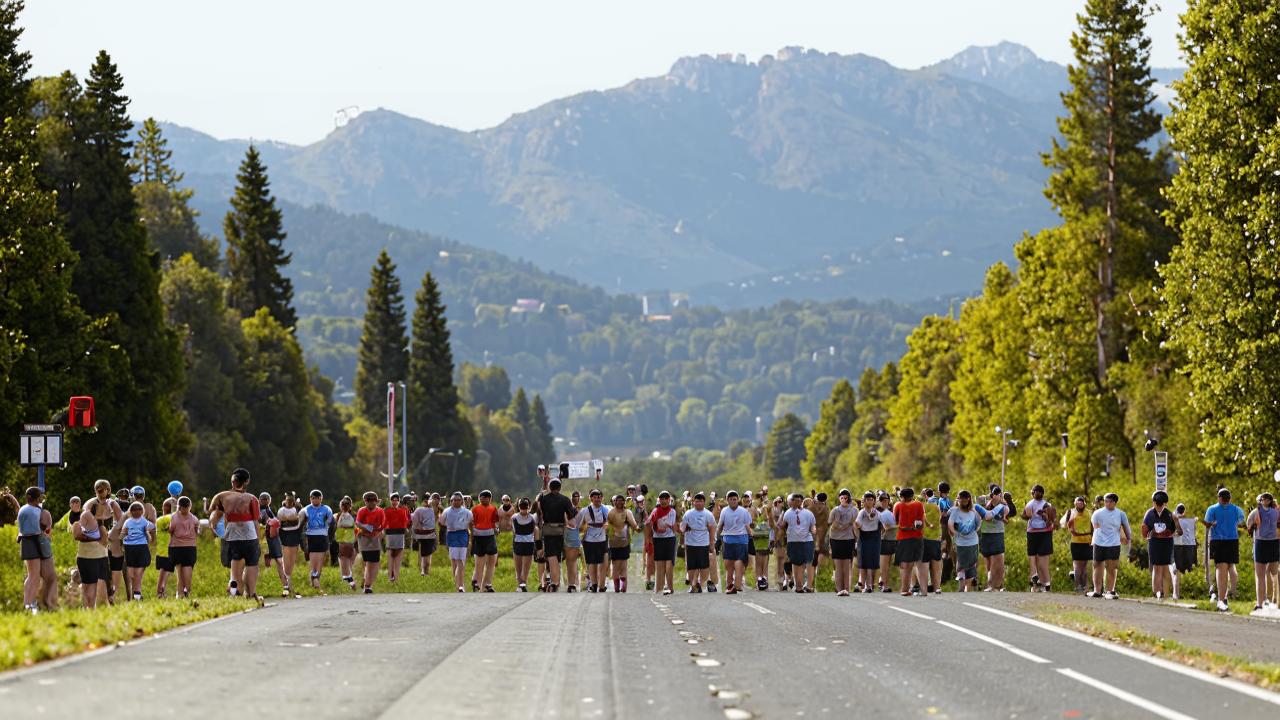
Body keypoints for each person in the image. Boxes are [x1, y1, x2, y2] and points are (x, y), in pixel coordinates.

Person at [207, 468, 262, 599]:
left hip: (232, 534)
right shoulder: (252, 498)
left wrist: (215, 530)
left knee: (236, 561)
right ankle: (251, 592)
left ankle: (235, 588)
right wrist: (258, 540)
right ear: (247, 481)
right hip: (249, 533)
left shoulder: (221, 496)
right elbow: (255, 521)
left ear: (232, 482)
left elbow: (213, 515)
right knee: (252, 563)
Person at [1203, 487, 1245, 610]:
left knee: (1221, 568)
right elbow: (1241, 522)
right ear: (1230, 498)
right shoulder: (1237, 509)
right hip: (1232, 540)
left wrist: (1213, 524)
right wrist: (1232, 523)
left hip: (1218, 540)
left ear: (1219, 497)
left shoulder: (1212, 509)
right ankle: (1232, 590)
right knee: (1231, 566)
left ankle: (1221, 599)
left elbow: (1207, 523)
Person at [18, 487, 56, 613]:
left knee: (32, 575)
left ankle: (29, 603)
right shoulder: (37, 511)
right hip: (35, 541)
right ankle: (30, 604)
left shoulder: (23, 509)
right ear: (37, 497)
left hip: (26, 542)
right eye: (40, 496)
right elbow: (46, 527)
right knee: (34, 576)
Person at [535, 476, 575, 592]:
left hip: (548, 530)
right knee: (566, 558)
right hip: (562, 531)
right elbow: (571, 517)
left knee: (552, 557)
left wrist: (539, 498)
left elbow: (537, 511)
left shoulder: (543, 499)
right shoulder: (565, 499)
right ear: (560, 487)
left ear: (549, 487)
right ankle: (570, 583)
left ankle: (554, 582)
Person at [1089, 493, 1130, 599]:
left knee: (1111, 567)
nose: (1107, 503)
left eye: (1110, 501)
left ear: (1115, 503)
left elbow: (1126, 527)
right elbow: (1095, 526)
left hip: (1114, 543)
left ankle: (1110, 591)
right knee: (1097, 565)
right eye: (1106, 501)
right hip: (1099, 542)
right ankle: (1097, 590)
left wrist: (1128, 538)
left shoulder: (1121, 514)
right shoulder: (1097, 513)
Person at [1141, 491, 1178, 599]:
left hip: (1167, 543)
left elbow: (1174, 529)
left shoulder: (1170, 514)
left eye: (1162, 504)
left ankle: (1166, 592)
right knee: (1157, 567)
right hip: (1154, 543)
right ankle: (1157, 592)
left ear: (1165, 504)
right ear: (1153, 503)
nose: (1159, 506)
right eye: (1157, 504)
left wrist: (1170, 532)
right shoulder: (1149, 514)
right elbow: (1145, 529)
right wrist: (1149, 533)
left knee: (1166, 567)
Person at [73, 501, 109, 608]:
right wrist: (95, 538)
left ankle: (87, 609)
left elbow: (103, 540)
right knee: (90, 585)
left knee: (87, 585)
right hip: (92, 557)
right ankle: (89, 609)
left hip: (92, 556)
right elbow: (103, 540)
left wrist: (88, 538)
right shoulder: (96, 524)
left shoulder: (97, 523)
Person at [1246, 492, 1278, 611]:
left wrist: (1253, 528)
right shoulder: (1277, 512)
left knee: (1260, 575)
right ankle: (1273, 600)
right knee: (1274, 573)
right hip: (1274, 543)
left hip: (1261, 543)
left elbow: (1249, 526)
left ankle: (1261, 603)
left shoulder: (1255, 512)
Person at [778, 493, 816, 593]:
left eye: (800, 501)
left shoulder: (808, 513)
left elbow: (813, 525)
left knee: (807, 562)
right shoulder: (787, 513)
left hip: (807, 541)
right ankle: (798, 586)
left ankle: (808, 585)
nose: (798, 503)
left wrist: (813, 530)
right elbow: (782, 526)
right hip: (793, 541)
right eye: (796, 501)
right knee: (796, 563)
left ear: (802, 502)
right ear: (792, 502)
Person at [716, 491, 752, 594]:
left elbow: (747, 526)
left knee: (739, 562)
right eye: (730, 499)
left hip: (741, 539)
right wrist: (717, 539)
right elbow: (720, 525)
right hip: (728, 539)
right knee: (728, 564)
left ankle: (736, 585)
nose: (733, 501)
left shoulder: (744, 511)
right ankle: (730, 583)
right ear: (727, 500)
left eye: (735, 499)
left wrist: (751, 537)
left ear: (738, 500)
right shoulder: (724, 511)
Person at [680, 492, 716, 593]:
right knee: (691, 566)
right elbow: (682, 528)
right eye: (697, 501)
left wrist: (712, 543)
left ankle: (699, 582)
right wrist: (682, 539)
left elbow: (712, 528)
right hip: (690, 543)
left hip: (703, 543)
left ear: (704, 502)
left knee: (703, 566)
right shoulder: (688, 513)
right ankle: (694, 584)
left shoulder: (708, 514)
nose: (699, 503)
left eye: (701, 501)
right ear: (693, 502)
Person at [1023, 484, 1056, 592]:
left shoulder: (1047, 504)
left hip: (1045, 533)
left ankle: (1046, 583)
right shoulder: (1029, 504)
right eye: (1034, 492)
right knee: (1033, 558)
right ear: (1032, 493)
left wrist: (1046, 516)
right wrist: (1027, 515)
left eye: (1037, 492)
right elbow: (1024, 515)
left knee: (1043, 561)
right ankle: (1035, 583)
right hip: (1032, 532)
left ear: (1041, 493)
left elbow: (1052, 520)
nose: (1035, 494)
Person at [892, 488, 925, 597]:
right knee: (916, 563)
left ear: (902, 497)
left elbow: (895, 520)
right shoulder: (919, 505)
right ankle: (923, 589)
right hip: (917, 536)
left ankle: (905, 589)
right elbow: (921, 521)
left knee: (905, 564)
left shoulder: (898, 505)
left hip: (903, 537)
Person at [122, 501, 156, 601]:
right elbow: (153, 527)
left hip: (129, 548)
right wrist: (147, 533)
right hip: (141, 547)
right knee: (138, 573)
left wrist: (120, 540)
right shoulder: (144, 521)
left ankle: (135, 594)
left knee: (132, 573)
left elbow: (123, 533)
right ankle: (136, 594)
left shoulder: (127, 522)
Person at [644, 491, 677, 595]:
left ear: (669, 500)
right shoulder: (655, 510)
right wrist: (649, 539)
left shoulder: (672, 511)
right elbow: (648, 523)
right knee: (659, 564)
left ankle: (669, 586)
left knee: (669, 563)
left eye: (665, 499)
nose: (664, 501)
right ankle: (659, 587)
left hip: (669, 539)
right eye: (662, 499)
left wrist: (659, 526)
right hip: (658, 540)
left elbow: (669, 525)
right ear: (659, 500)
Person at [975, 490, 1009, 591]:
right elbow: (979, 510)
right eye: (993, 494)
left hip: (997, 534)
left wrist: (1001, 516)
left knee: (997, 560)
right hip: (985, 534)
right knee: (988, 562)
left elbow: (1006, 518)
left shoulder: (1003, 506)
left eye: (997, 494)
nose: (994, 496)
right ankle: (991, 584)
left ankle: (996, 584)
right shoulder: (986, 503)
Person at [301, 490, 334, 592]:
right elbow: (301, 523)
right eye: (313, 497)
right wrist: (303, 541)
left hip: (322, 536)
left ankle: (316, 580)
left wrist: (330, 537)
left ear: (321, 498)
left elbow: (330, 522)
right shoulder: (306, 509)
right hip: (310, 536)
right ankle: (314, 580)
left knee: (320, 560)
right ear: (310, 498)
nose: (315, 499)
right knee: (313, 560)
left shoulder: (326, 509)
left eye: (318, 497)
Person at [578, 489, 610, 592]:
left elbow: (611, 520)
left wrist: (607, 525)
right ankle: (594, 584)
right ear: (590, 498)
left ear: (602, 498)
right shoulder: (585, 510)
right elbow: (579, 524)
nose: (597, 499)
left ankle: (601, 585)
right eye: (594, 497)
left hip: (602, 538)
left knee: (604, 561)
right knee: (592, 562)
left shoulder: (605, 509)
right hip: (589, 539)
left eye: (599, 497)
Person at [607, 494, 640, 592]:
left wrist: (637, 528)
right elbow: (607, 525)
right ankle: (617, 585)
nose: (620, 502)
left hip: (624, 541)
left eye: (622, 501)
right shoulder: (611, 513)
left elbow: (633, 524)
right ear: (615, 502)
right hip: (613, 542)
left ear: (624, 502)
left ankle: (623, 585)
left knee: (623, 563)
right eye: (618, 500)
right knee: (616, 563)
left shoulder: (627, 512)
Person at [949, 490, 981, 592]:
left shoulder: (970, 512)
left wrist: (957, 534)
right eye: (961, 500)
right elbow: (950, 523)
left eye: (964, 500)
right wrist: (956, 533)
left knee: (966, 563)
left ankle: (965, 586)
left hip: (968, 542)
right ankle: (964, 587)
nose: (962, 502)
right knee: (966, 563)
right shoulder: (957, 511)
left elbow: (978, 524)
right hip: (965, 542)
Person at [828, 489, 857, 596]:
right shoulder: (835, 510)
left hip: (849, 539)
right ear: (839, 499)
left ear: (849, 498)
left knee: (847, 565)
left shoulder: (854, 510)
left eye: (846, 497)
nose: (844, 499)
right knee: (838, 565)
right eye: (842, 497)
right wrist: (843, 525)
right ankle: (839, 588)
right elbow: (831, 523)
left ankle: (847, 589)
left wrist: (857, 538)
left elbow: (855, 524)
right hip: (836, 539)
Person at [441, 492, 473, 592]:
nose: (455, 502)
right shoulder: (446, 511)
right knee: (454, 561)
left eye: (458, 500)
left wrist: (471, 538)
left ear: (462, 501)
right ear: (451, 501)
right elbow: (441, 522)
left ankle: (461, 584)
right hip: (452, 535)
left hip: (463, 535)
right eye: (453, 500)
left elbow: (471, 523)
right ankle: (458, 584)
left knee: (461, 560)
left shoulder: (467, 512)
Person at [355, 491, 385, 594]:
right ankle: (366, 580)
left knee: (375, 562)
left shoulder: (380, 511)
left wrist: (380, 531)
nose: (371, 503)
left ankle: (368, 585)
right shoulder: (362, 511)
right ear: (365, 501)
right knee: (368, 561)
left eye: (373, 501)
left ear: (376, 501)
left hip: (375, 537)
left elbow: (383, 523)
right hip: (364, 538)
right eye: (368, 501)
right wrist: (365, 526)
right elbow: (358, 522)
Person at [168, 496, 199, 598]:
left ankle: (179, 593)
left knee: (179, 572)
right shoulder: (194, 518)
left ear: (179, 506)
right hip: (190, 547)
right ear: (189, 506)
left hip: (175, 547)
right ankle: (187, 590)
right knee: (188, 569)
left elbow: (170, 531)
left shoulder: (173, 517)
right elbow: (197, 532)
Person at [469, 490, 499, 592]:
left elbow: (495, 522)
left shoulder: (492, 508)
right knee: (481, 562)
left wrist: (496, 529)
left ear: (490, 498)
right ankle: (480, 583)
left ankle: (482, 583)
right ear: (479, 498)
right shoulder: (475, 509)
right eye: (484, 496)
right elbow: (472, 524)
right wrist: (471, 539)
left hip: (487, 535)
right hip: (482, 536)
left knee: (489, 561)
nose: (485, 498)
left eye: (487, 497)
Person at [1062, 496, 1093, 593]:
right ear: (1075, 503)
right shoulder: (1070, 512)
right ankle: (1077, 586)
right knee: (1077, 565)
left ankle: (1083, 587)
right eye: (1078, 503)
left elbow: (1093, 526)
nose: (1080, 505)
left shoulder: (1089, 513)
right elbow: (1063, 524)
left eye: (1082, 503)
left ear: (1084, 504)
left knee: (1084, 567)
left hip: (1088, 541)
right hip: (1076, 541)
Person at [275, 493, 303, 596]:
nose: (289, 502)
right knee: (286, 556)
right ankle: (286, 582)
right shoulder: (281, 510)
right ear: (285, 501)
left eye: (291, 501)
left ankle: (288, 579)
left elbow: (302, 519)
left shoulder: (298, 508)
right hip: (285, 534)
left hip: (295, 533)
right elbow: (279, 523)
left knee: (292, 557)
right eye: (288, 500)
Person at [856, 492, 883, 593]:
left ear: (874, 501)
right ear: (864, 501)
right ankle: (863, 585)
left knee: (872, 563)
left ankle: (870, 585)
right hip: (864, 537)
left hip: (875, 538)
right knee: (863, 563)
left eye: (871, 499)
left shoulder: (877, 512)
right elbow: (857, 523)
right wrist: (857, 525)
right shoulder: (862, 512)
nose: (869, 501)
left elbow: (884, 524)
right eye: (867, 499)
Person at [918, 490, 943, 594]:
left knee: (923, 566)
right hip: (936, 540)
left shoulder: (921, 508)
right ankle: (937, 587)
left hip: (924, 539)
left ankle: (924, 590)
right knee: (936, 567)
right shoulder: (937, 508)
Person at [383, 493, 410, 584]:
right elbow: (384, 521)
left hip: (399, 533)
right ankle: (390, 577)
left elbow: (405, 521)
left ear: (399, 501)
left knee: (398, 556)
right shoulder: (386, 510)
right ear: (390, 501)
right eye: (393, 500)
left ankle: (396, 577)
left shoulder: (403, 510)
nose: (395, 502)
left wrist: (405, 528)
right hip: (390, 533)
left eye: (396, 500)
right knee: (391, 555)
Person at [1171, 503, 1197, 600]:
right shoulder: (1189, 521)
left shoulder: (1173, 519)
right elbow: (1193, 533)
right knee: (1183, 570)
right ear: (1184, 511)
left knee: (1177, 570)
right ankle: (1177, 593)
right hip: (1186, 546)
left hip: (1176, 546)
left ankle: (1175, 593)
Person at [512, 498, 538, 591]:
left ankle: (522, 584)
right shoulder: (515, 517)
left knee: (525, 568)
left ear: (528, 507)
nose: (523, 509)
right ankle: (520, 585)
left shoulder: (532, 517)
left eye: (525, 507)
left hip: (527, 544)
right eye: (522, 507)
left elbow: (536, 531)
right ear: (519, 507)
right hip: (520, 544)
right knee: (519, 568)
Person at [411, 493, 438, 577]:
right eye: (425, 500)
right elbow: (414, 521)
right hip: (421, 535)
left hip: (431, 535)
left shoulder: (434, 509)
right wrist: (420, 527)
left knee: (428, 553)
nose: (427, 502)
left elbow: (437, 518)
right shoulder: (419, 510)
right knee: (423, 553)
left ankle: (425, 570)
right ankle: (423, 570)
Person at [334, 497, 358, 589]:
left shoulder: (337, 515)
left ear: (340, 506)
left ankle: (349, 581)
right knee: (350, 563)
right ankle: (348, 581)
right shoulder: (355, 515)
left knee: (343, 563)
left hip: (342, 542)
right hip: (352, 542)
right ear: (350, 505)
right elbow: (358, 529)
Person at [154, 498, 176, 598]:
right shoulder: (171, 518)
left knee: (164, 573)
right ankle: (160, 593)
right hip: (168, 550)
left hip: (161, 550)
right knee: (164, 574)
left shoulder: (159, 520)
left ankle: (162, 592)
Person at [877, 492, 897, 592]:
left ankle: (882, 582)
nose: (885, 502)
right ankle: (885, 586)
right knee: (884, 566)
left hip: (892, 541)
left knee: (887, 565)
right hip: (884, 541)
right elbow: (885, 527)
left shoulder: (890, 512)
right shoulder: (879, 513)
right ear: (879, 501)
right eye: (882, 500)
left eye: (886, 500)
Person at [769, 495, 790, 590]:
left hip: (789, 538)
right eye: (777, 501)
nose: (779, 503)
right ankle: (781, 581)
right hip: (779, 538)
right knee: (780, 559)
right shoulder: (773, 511)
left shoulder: (787, 511)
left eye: (780, 501)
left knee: (789, 560)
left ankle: (788, 579)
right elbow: (774, 525)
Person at [563, 491, 582, 593]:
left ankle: (572, 583)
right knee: (572, 562)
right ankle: (572, 583)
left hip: (570, 535)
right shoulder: (576, 511)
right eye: (574, 497)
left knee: (570, 562)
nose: (576, 498)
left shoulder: (567, 511)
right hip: (573, 535)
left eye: (577, 497)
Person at [811, 491, 830, 581]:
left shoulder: (812, 508)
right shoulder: (826, 509)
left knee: (812, 558)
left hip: (814, 536)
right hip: (823, 536)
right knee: (821, 555)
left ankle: (812, 578)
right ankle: (818, 577)